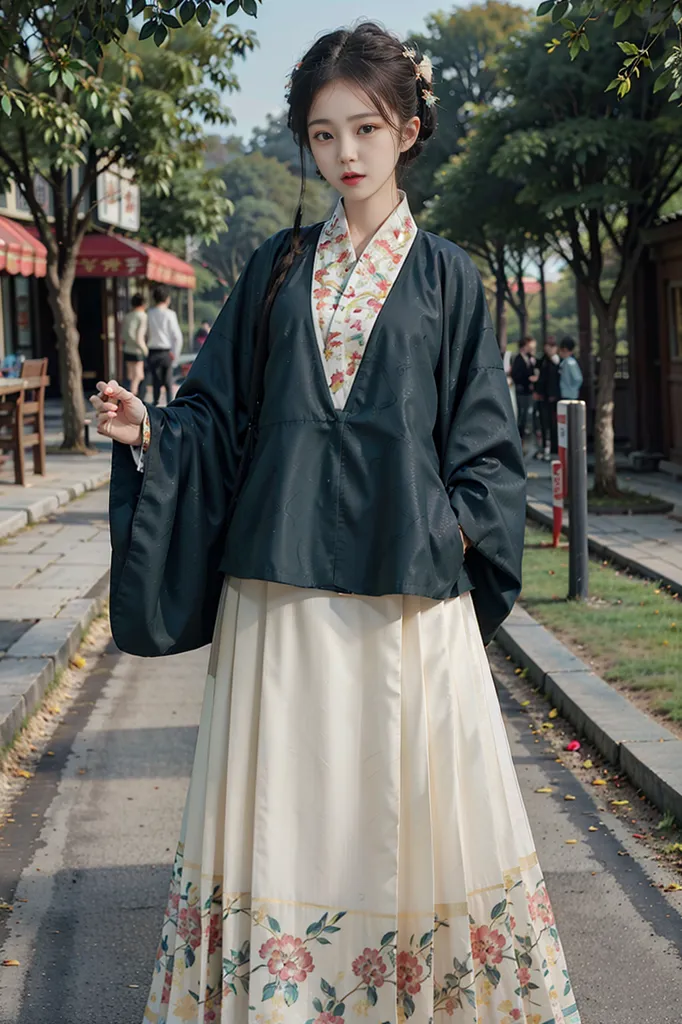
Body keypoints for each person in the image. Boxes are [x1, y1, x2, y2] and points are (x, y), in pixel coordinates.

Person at [91, 23, 580, 1024]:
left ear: (409, 129)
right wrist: (151, 429)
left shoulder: (448, 279)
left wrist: (444, 537)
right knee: (287, 818)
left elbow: (487, 454)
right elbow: (215, 416)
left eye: (364, 128)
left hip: (406, 607)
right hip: (280, 603)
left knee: (401, 820)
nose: (345, 154)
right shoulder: (275, 270)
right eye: (322, 135)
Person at [146, 285, 183, 406]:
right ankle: (170, 405)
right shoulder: (170, 314)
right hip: (166, 352)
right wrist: (175, 355)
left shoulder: (149, 313)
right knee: (168, 382)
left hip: (152, 351)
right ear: (167, 298)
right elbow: (177, 337)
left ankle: (155, 406)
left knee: (155, 382)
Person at [535, 337, 562, 460]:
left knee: (554, 423)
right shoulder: (543, 361)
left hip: (554, 396)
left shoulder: (558, 362)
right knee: (544, 422)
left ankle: (554, 447)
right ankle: (546, 446)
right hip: (544, 396)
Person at [510, 335, 537, 443]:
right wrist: (528, 379)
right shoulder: (518, 359)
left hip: (527, 390)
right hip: (522, 390)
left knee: (526, 414)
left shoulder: (529, 358)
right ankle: (520, 437)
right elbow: (515, 375)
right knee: (522, 414)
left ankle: (524, 436)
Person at [120, 293, 148, 398]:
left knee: (131, 376)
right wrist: (145, 350)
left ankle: (129, 397)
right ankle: (132, 399)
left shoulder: (128, 316)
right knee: (138, 376)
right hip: (137, 350)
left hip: (127, 349)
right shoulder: (143, 316)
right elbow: (139, 336)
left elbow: (123, 334)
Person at [559, 336, 584, 400]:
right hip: (565, 393)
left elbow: (578, 379)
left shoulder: (570, 362)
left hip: (570, 395)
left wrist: (572, 389)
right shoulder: (564, 362)